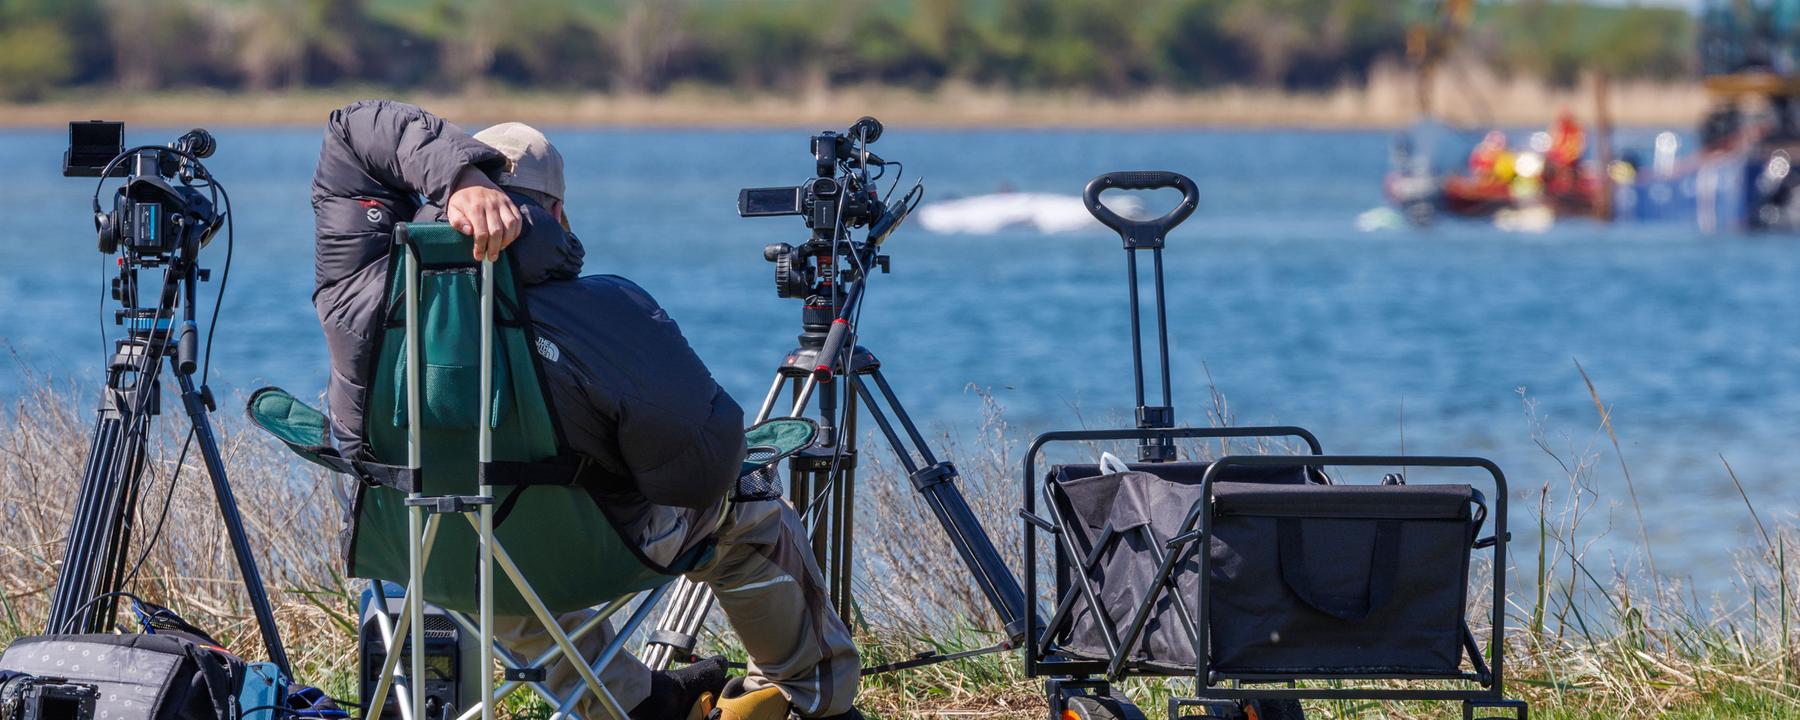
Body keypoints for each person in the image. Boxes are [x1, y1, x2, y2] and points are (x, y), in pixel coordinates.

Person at [310, 100, 860, 720]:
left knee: (492, 545)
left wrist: (456, 176)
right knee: (746, 504)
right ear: (557, 215)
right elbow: (697, 476)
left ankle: (642, 703)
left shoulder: (358, 290)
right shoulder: (609, 312)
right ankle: (815, 701)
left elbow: (351, 130)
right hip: (571, 558)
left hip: (418, 555)